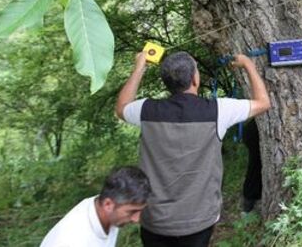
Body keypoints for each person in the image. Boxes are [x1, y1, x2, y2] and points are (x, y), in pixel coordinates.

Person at [115, 51, 271, 247]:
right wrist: (248, 64)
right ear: (195, 79)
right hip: (199, 221)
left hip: (155, 220)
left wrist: (140, 67)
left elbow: (121, 107)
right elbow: (264, 103)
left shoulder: (147, 111)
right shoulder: (217, 111)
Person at [40, 166, 151, 247]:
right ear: (108, 204)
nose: (137, 219)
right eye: (132, 212)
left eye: (140, 211)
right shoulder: (71, 240)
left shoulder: (105, 209)